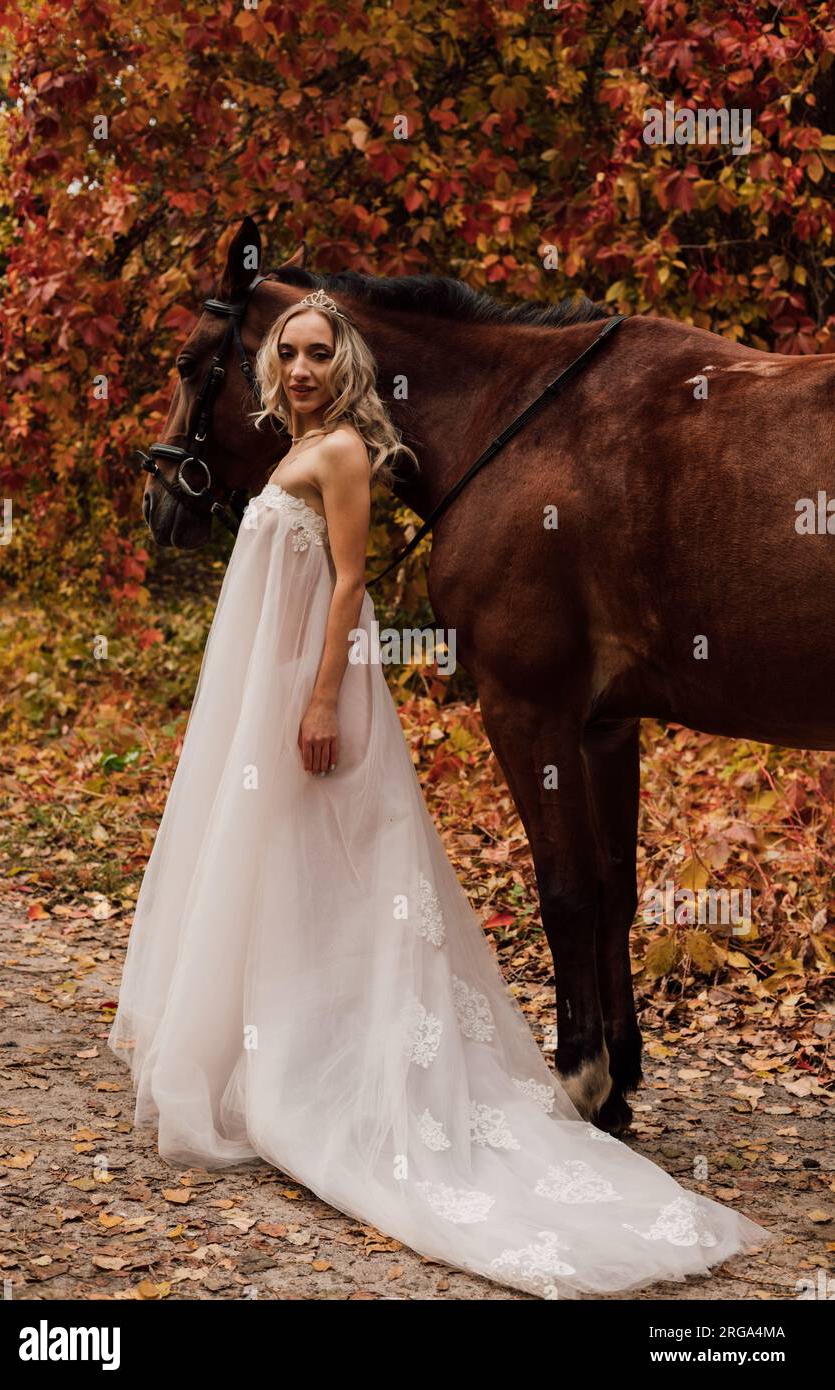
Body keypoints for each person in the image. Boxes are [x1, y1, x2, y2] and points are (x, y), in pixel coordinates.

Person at [107, 286, 774, 1299]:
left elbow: (343, 583)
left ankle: (380, 1070)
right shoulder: (293, 449)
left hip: (308, 692)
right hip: (266, 691)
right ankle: (291, 1045)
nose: (300, 369)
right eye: (288, 354)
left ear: (349, 364)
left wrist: (323, 695)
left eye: (318, 353)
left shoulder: (337, 455)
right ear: (265, 367)